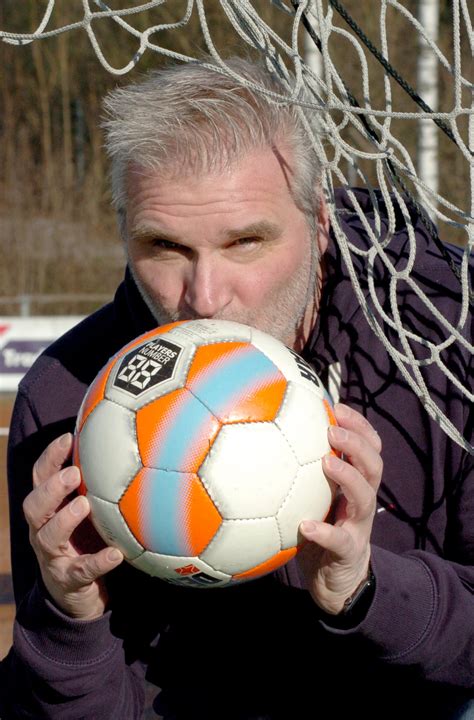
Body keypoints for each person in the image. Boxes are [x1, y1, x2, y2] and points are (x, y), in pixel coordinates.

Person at [0, 56, 472, 720]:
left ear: (320, 221)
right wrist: (69, 621)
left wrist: (366, 590)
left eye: (245, 241)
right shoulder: (64, 401)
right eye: (165, 246)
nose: (205, 296)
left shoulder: (444, 339)